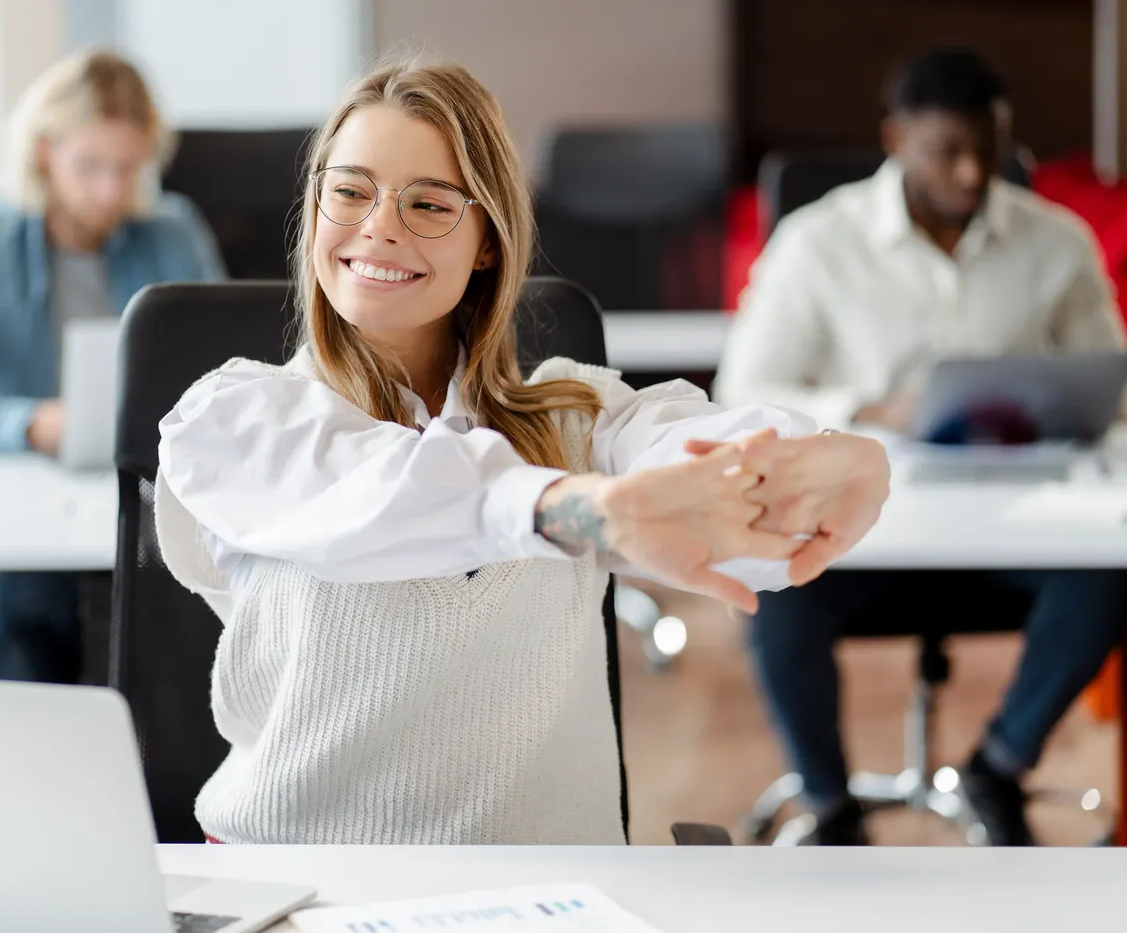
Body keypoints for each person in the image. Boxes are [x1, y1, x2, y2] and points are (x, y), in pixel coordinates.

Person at [153, 59, 890, 845]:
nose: (379, 225)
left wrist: (825, 462)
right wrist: (576, 508)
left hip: (549, 897)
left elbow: (687, 443)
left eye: (430, 202)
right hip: (302, 889)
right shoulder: (233, 415)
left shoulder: (576, 413)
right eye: (350, 190)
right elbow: (376, 492)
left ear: (487, 246)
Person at [714, 46, 1127, 845]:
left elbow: (1120, 388)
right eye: (949, 151)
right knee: (772, 586)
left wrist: (1047, 399)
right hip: (866, 535)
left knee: (1110, 570)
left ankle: (1001, 764)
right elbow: (743, 392)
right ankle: (831, 807)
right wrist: (876, 407)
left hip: (1014, 522)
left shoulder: (1059, 243)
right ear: (896, 139)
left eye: (990, 149)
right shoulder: (818, 244)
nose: (974, 174)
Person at [0, 49, 226, 683]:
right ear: (46, 151)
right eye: (90, 165)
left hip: (153, 504)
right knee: (23, 605)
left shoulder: (173, 232)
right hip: (24, 519)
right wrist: (33, 424)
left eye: (128, 169)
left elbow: (232, 369)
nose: (111, 190)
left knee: (198, 603)